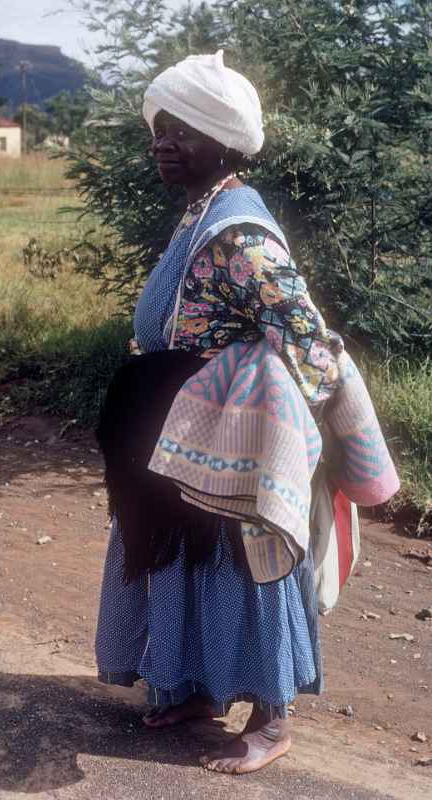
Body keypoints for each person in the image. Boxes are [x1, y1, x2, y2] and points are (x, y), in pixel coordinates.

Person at [95, 51, 398, 775]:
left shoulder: (239, 233)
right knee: (182, 557)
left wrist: (306, 430)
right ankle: (197, 692)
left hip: (228, 426)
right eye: (158, 129)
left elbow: (304, 335)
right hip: (181, 419)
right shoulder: (204, 213)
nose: (163, 143)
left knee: (244, 560)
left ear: (224, 141)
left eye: (182, 129)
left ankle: (271, 718)